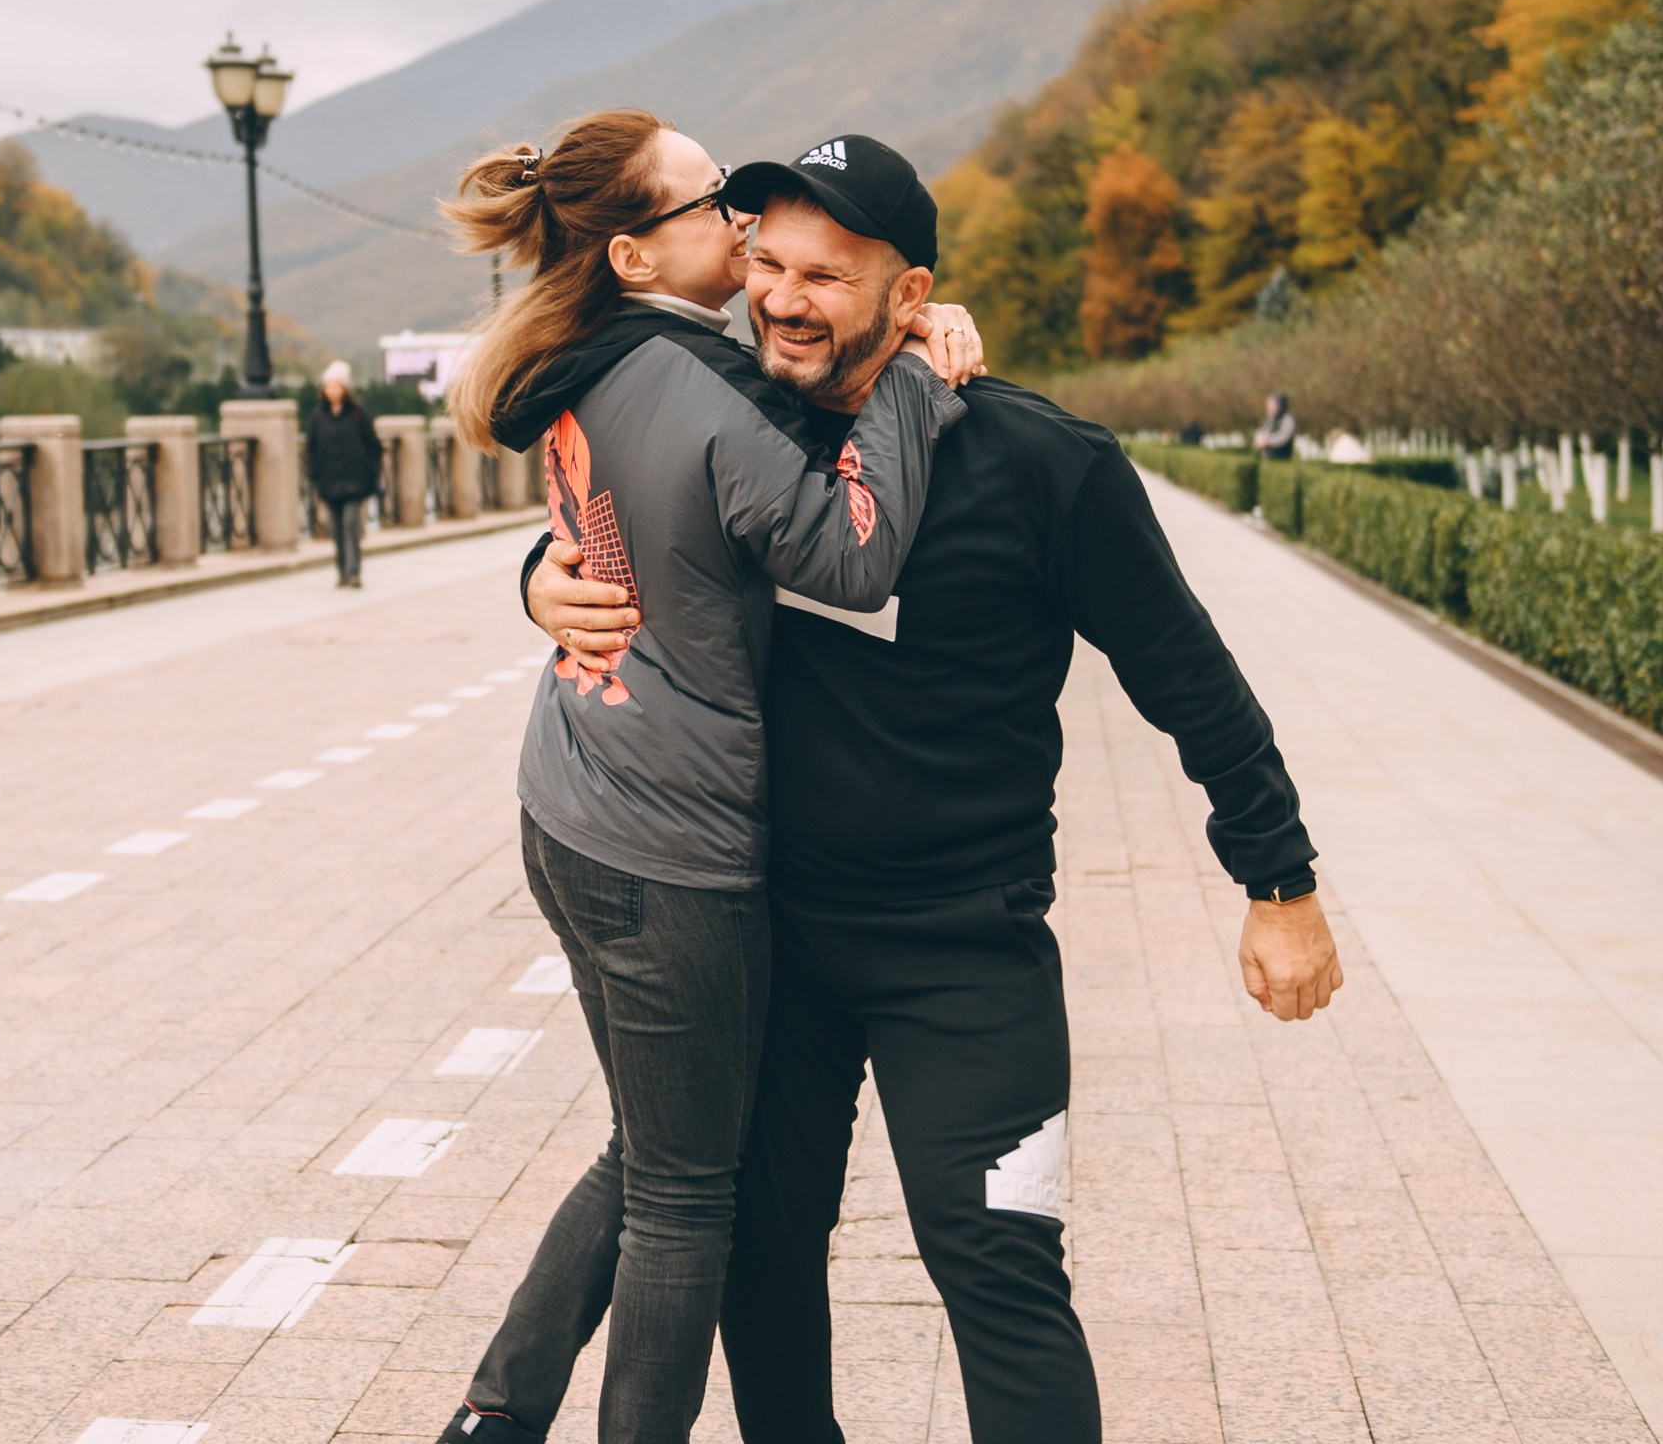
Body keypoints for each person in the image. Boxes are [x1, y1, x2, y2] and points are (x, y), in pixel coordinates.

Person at [526, 134, 1344, 1444]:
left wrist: (1278, 875)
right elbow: (613, 494)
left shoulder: (1040, 462)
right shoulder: (739, 418)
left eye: (828, 276)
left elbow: (1186, 673)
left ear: (910, 295)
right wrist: (534, 574)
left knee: (1004, 1267)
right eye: (768, 266)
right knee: (760, 1255)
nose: (785, 298)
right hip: (768, 935)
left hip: (967, 948)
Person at [434, 111, 981, 1444]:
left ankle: (497, 1416)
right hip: (668, 848)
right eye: (708, 205)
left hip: (567, 795)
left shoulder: (596, 357)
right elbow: (851, 555)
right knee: (688, 1191)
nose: (738, 224)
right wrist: (915, 368)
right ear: (632, 250)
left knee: (644, 1151)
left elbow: (634, 509)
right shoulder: (700, 385)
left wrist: (533, 579)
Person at [306, 360, 383, 586]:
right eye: (328, 386)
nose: (332, 391)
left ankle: (353, 572)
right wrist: (315, 476)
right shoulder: (318, 417)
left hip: (355, 482)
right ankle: (342, 572)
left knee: (351, 525)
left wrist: (371, 473)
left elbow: (373, 446)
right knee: (337, 530)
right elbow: (311, 449)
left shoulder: (358, 414)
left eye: (336, 386)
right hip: (329, 483)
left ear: (345, 388)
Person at [1254, 390, 1297, 460]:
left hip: (1280, 457)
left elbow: (1283, 437)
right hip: (1266, 456)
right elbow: (1263, 430)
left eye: (1272, 404)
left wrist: (1267, 441)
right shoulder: (1269, 418)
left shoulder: (1288, 419)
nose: (1269, 407)